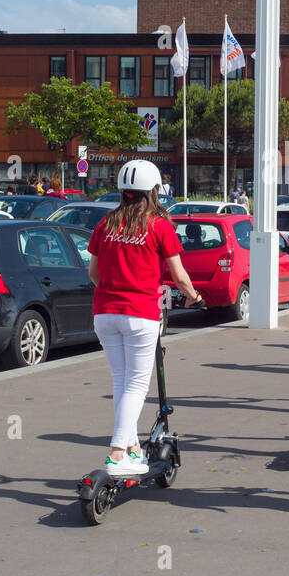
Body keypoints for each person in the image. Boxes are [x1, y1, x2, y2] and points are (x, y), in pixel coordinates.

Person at [87, 159, 202, 476]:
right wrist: (195, 297)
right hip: (140, 314)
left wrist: (113, 290)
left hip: (104, 313)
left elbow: (93, 273)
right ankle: (116, 452)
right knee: (136, 385)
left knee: (121, 382)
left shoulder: (105, 224)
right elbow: (179, 278)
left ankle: (134, 448)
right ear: (153, 191)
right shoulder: (160, 226)